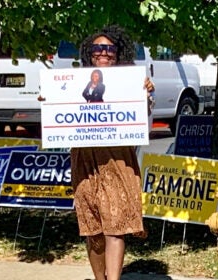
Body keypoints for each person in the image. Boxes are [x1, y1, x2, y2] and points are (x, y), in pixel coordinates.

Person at [71, 25, 155, 280]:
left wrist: (147, 95)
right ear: (89, 52)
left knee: (115, 225)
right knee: (92, 228)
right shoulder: (73, 81)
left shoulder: (131, 81)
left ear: (119, 54)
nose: (104, 53)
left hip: (118, 159)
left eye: (110, 49)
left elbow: (144, 116)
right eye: (98, 48)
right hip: (85, 159)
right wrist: (48, 101)